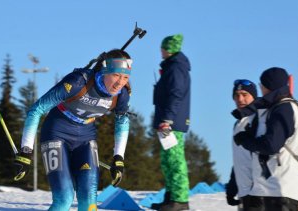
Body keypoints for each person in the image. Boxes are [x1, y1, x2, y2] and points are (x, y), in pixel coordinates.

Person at [13, 49, 133, 210]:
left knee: (89, 202)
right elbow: (37, 109)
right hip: (56, 132)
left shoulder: (121, 95)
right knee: (64, 199)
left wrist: (119, 157)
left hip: (85, 138)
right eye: (116, 75)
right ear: (104, 71)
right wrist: (26, 151)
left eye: (125, 77)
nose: (120, 82)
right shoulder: (78, 82)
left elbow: (122, 123)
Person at [234, 67, 298, 211]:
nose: (261, 88)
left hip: (283, 188)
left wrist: (246, 141)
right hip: (273, 188)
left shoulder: (284, 108)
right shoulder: (275, 107)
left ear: (270, 86)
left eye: (262, 85)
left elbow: (272, 145)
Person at [151, 34, 191, 211]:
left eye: (164, 48)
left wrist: (168, 119)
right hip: (167, 122)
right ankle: (171, 197)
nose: (161, 51)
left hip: (171, 123)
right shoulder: (171, 67)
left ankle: (180, 200)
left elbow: (176, 94)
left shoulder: (175, 68)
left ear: (170, 49)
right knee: (167, 161)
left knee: (175, 160)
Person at [226, 79, 264, 211]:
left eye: (244, 94)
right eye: (236, 95)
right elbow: (240, 159)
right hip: (245, 192)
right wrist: (232, 187)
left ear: (254, 96)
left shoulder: (260, 119)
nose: (240, 99)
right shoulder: (238, 124)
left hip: (260, 193)